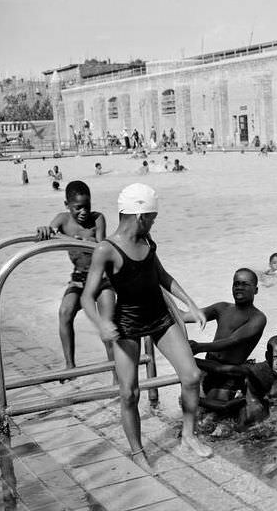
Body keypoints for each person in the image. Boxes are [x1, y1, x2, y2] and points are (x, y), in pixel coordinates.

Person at [81, 183, 213, 466]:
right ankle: (138, 451)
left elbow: (161, 275)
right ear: (140, 215)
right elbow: (86, 296)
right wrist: (100, 325)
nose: (154, 221)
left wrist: (191, 304)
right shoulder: (106, 249)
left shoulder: (147, 240)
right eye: (152, 216)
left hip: (160, 317)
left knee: (191, 376)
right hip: (127, 324)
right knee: (129, 393)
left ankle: (189, 435)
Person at [36, 180, 116, 377]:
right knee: (65, 312)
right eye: (77, 207)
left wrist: (88, 241)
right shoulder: (63, 220)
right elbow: (49, 230)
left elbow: (101, 244)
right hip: (79, 279)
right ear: (67, 205)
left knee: (107, 323)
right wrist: (44, 230)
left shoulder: (97, 219)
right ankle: (70, 366)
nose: (83, 212)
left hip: (101, 280)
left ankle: (116, 372)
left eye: (86, 206)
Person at [186, 269, 267, 408]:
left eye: (245, 284)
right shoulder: (222, 308)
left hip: (228, 376)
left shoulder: (258, 318)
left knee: (215, 419)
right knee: (195, 414)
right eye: (236, 284)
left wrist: (199, 347)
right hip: (207, 370)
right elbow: (187, 316)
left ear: (256, 290)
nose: (239, 287)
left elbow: (233, 340)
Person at [194, 335, 277, 432]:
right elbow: (221, 368)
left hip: (249, 411)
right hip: (228, 400)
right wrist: (193, 360)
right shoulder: (257, 371)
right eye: (276, 357)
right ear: (267, 356)